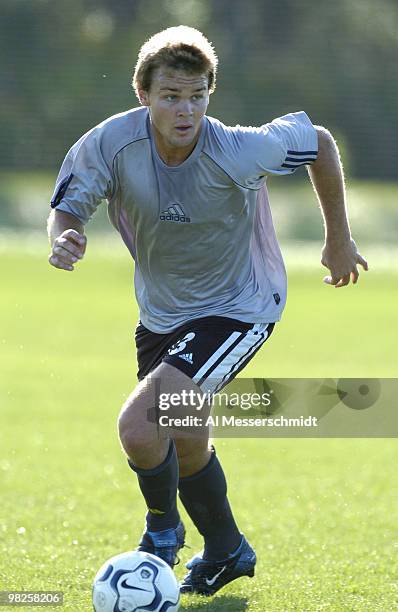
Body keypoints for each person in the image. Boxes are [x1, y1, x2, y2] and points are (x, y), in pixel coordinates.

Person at [47, 25, 368, 596]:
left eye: (196, 96)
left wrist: (337, 239)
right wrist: (65, 237)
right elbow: (68, 207)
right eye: (171, 96)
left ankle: (161, 537)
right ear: (143, 94)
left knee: (141, 426)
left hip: (241, 305)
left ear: (209, 97)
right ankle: (226, 550)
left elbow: (317, 141)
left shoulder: (238, 148)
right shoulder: (110, 144)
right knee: (185, 436)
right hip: (162, 314)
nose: (185, 110)